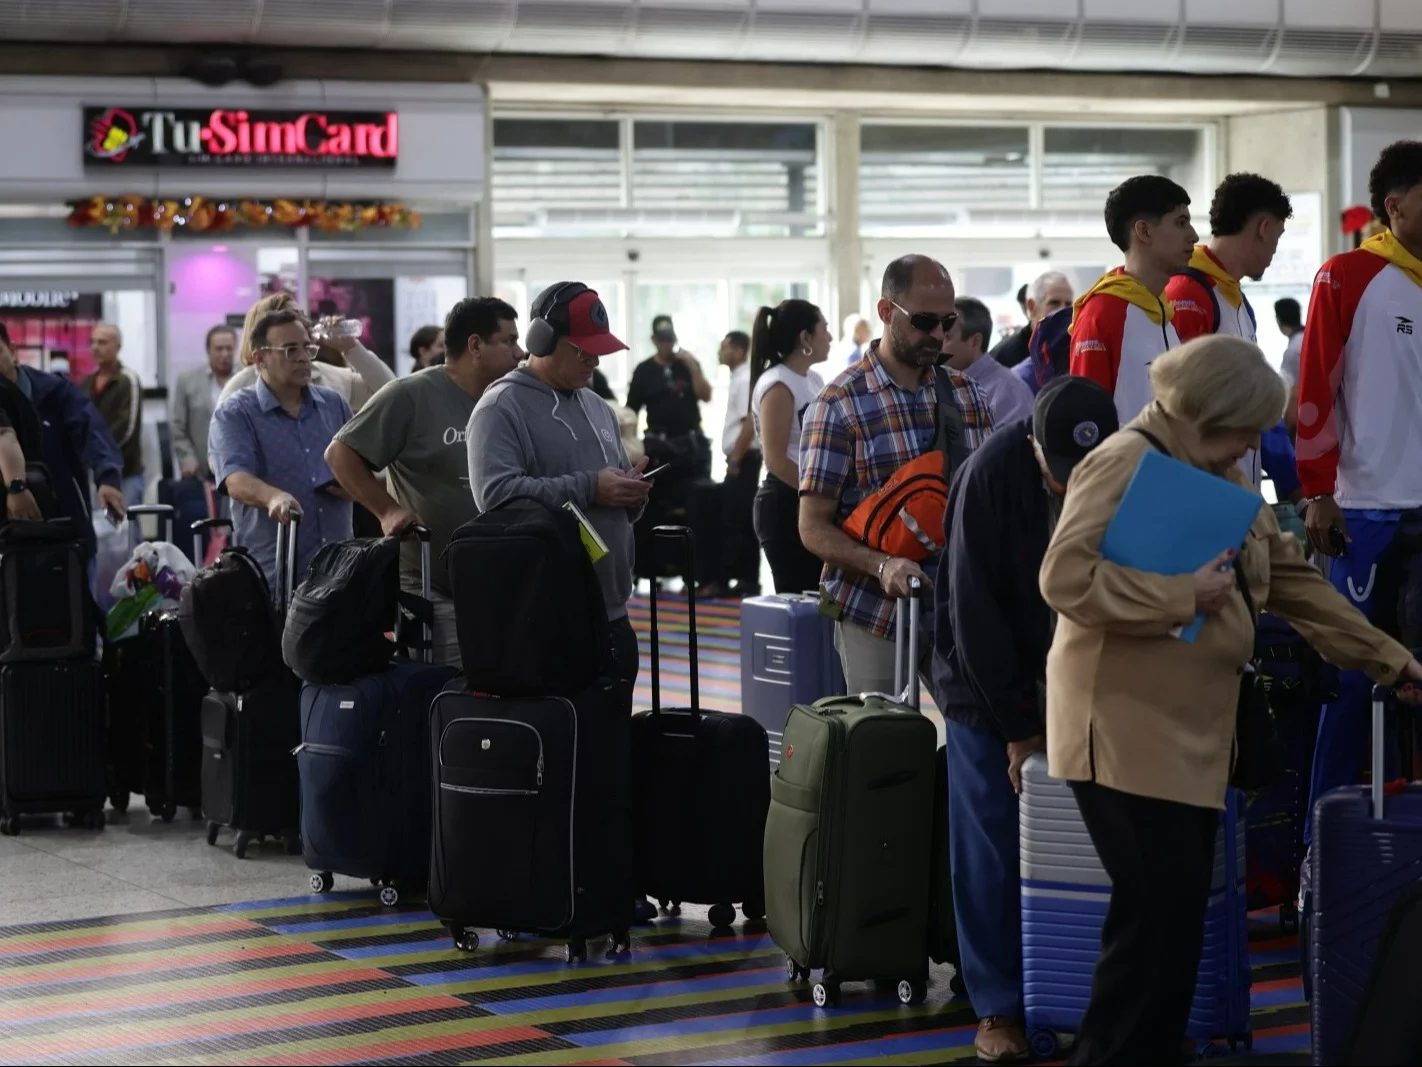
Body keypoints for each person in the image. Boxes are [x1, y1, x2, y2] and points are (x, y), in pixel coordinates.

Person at [1040, 334, 1422, 1065]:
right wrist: (1182, 594)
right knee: (1148, 940)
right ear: (1212, 409)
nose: (1256, 441)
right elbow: (1063, 579)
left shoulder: (1219, 474)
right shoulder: (1123, 462)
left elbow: (1294, 585)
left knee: (1173, 935)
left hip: (1185, 732)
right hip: (1120, 733)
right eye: (1250, 424)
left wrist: (1391, 658)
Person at [934, 375, 1120, 1063]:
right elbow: (974, 617)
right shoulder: (989, 475)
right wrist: (1019, 728)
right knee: (991, 841)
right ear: (1033, 445)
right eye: (1061, 473)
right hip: (983, 684)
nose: (1076, 487)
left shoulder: (1123, 466)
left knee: (1088, 840)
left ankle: (1077, 990)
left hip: (1073, 675)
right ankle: (998, 1006)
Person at [1297, 138, 1422, 851]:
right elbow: (1315, 385)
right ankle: (1325, 849)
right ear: (1395, 204)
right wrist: (1318, 491)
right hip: (1366, 508)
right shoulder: (1348, 275)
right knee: (1349, 684)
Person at [798, 255, 994, 692]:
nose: (938, 335)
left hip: (957, 606)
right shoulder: (837, 405)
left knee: (979, 740)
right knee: (881, 746)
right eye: (925, 321)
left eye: (947, 322)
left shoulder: (968, 396)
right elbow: (812, 527)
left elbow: (986, 503)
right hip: (873, 609)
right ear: (887, 312)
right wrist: (881, 564)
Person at [468, 282, 650, 689]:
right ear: (542, 340)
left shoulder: (596, 406)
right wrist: (591, 488)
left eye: (598, 351)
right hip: (549, 619)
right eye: (581, 350)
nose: (593, 361)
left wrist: (628, 493)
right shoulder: (501, 407)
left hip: (613, 613)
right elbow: (495, 497)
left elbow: (607, 484)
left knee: (613, 745)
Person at [327, 298, 522, 668]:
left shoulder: (509, 399)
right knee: (445, 694)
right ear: (476, 345)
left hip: (501, 582)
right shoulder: (411, 394)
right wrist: (386, 510)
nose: (520, 352)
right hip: (433, 584)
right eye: (509, 341)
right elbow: (340, 454)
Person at [1165, 173, 1301, 500]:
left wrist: (1294, 489)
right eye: (1277, 237)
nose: (1274, 251)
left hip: (1238, 495)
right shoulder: (1190, 293)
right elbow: (1182, 409)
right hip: (1204, 496)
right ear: (1263, 228)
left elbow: (1254, 401)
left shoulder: (1236, 299)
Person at [208, 307, 353, 589]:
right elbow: (235, 478)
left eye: (306, 348)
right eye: (289, 350)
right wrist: (273, 498)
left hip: (340, 568)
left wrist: (356, 485)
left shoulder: (333, 404)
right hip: (275, 571)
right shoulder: (236, 413)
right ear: (260, 358)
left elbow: (358, 464)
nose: (302, 357)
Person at [1069, 175, 1197, 423]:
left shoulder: (1163, 311)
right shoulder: (1103, 313)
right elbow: (1085, 423)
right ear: (1144, 231)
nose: (1193, 236)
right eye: (1181, 223)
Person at [0, 322, 125, 556]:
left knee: (74, 586)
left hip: (65, 524)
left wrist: (107, 478)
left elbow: (93, 432)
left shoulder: (53, 392)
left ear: (12, 350)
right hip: (7, 532)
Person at [750, 301, 831, 595]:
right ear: (805, 337)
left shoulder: (814, 380)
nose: (830, 337)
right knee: (800, 600)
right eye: (825, 329)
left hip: (807, 497)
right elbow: (776, 460)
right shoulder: (778, 384)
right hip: (785, 503)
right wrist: (821, 497)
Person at [219, 292, 395, 413]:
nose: (307, 323)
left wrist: (351, 348)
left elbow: (391, 394)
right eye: (293, 316)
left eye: (303, 315)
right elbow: (221, 451)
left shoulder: (328, 376)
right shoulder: (241, 387)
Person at [701, 329, 761, 600]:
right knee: (743, 519)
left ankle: (723, 580)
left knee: (732, 519)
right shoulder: (740, 377)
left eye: (724, 347)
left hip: (744, 458)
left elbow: (749, 422)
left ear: (737, 350)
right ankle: (748, 580)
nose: (720, 352)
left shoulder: (745, 377)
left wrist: (736, 458)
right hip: (742, 457)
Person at [626, 314, 713, 477]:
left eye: (669, 338)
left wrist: (693, 368)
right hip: (660, 445)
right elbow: (631, 412)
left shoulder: (687, 365)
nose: (666, 344)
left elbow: (706, 395)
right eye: (662, 340)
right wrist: (631, 448)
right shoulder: (644, 370)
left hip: (690, 442)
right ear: (654, 340)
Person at [941, 296, 1035, 427]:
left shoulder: (1009, 392)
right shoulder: (935, 381)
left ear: (975, 341)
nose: (936, 343)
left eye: (946, 337)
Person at [80, 323, 145, 508]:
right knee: (99, 530)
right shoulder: (86, 383)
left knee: (126, 531)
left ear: (118, 346)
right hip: (94, 473)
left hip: (125, 473)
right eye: (92, 342)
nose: (95, 347)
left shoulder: (128, 380)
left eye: (102, 342)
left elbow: (127, 429)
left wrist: (98, 451)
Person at [171, 325, 236, 481]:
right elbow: (178, 426)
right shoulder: (187, 381)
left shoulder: (248, 380)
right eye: (219, 349)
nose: (225, 354)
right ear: (208, 350)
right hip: (200, 473)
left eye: (229, 348)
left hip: (240, 471)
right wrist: (187, 459)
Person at [992, 271, 1074, 368]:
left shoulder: (1077, 349)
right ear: (1031, 306)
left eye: (1068, 304)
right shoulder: (1004, 356)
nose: (1063, 310)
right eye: (1054, 303)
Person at [1275, 297, 1305, 436]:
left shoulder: (1293, 351)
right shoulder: (1308, 338)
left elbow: (1292, 393)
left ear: (1279, 320)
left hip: (1301, 418)